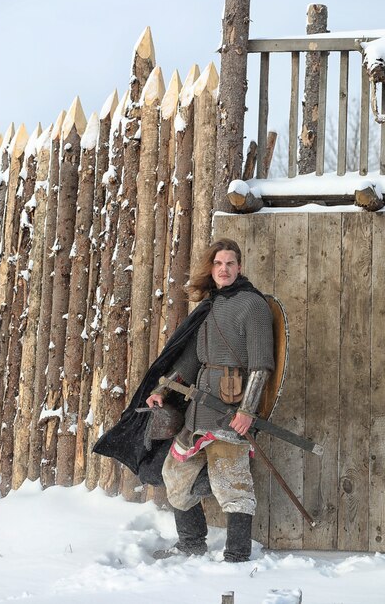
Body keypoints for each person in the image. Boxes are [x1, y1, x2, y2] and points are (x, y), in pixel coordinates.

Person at [145, 238, 275, 562]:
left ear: (239, 267)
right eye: (218, 264)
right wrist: (163, 390)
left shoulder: (253, 305)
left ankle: (237, 554)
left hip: (230, 410)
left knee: (233, 484)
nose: (224, 269)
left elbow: (262, 365)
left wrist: (247, 410)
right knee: (175, 475)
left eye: (230, 263)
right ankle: (191, 543)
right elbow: (190, 361)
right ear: (212, 269)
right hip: (198, 410)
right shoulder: (209, 305)